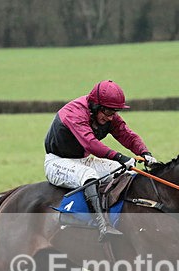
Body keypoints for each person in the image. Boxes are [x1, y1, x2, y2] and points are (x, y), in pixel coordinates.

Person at [44, 80, 157, 242]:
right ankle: (102, 225)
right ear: (96, 106)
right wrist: (121, 157)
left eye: (114, 112)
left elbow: (127, 135)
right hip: (57, 163)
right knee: (90, 174)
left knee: (123, 170)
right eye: (108, 112)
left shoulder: (106, 113)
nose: (111, 117)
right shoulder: (75, 113)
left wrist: (145, 153)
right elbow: (91, 144)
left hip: (83, 159)